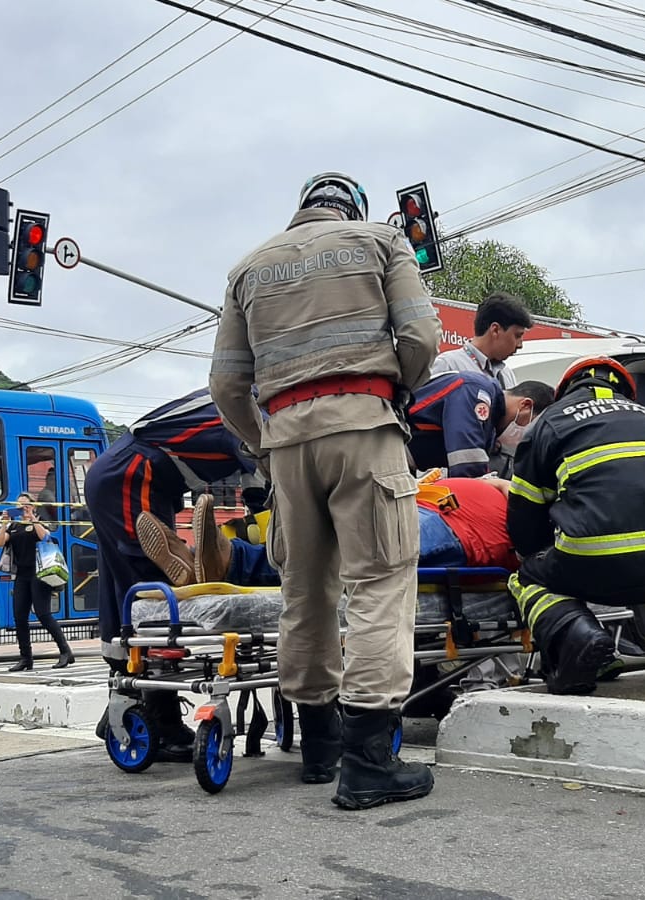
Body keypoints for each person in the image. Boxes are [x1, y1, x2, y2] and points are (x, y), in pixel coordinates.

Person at [210, 171, 441, 808]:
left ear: (303, 208)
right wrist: (396, 390)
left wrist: (265, 442)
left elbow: (226, 386)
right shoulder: (382, 242)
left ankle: (319, 748)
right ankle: (368, 760)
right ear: (352, 207)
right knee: (379, 581)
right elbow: (423, 338)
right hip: (364, 425)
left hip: (284, 443)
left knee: (305, 589)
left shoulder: (247, 269)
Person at [508, 356, 645, 693]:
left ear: (565, 390)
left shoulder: (549, 422)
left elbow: (524, 520)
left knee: (527, 578)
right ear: (625, 391)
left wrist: (541, 557)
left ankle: (576, 636)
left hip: (598, 562)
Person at [84, 388, 259, 762]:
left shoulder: (236, 395)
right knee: (153, 603)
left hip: (132, 475)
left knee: (125, 597)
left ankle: (127, 701)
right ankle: (158, 719)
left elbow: (257, 478)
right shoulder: (251, 406)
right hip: (135, 474)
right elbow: (265, 476)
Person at [137, 475, 523, 588]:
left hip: (458, 530)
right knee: (321, 534)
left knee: (344, 551)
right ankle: (196, 564)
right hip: (413, 502)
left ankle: (229, 560)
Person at [407, 372, 554, 478]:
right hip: (390, 449)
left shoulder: (490, 429)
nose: (529, 434)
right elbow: (468, 465)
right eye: (533, 425)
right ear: (525, 405)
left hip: (404, 465)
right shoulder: (475, 390)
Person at [0, 492, 75, 672]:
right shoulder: (14, 526)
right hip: (22, 575)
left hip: (39, 573)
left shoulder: (37, 523)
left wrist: (32, 519)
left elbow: (45, 537)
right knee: (19, 617)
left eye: (26, 505)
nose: (22, 509)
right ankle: (26, 658)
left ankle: (65, 651)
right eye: (19, 506)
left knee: (43, 613)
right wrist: (4, 524)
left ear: (33, 506)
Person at [430, 292, 532, 388]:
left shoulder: (506, 374)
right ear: (495, 330)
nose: (520, 345)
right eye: (517, 336)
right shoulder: (448, 365)